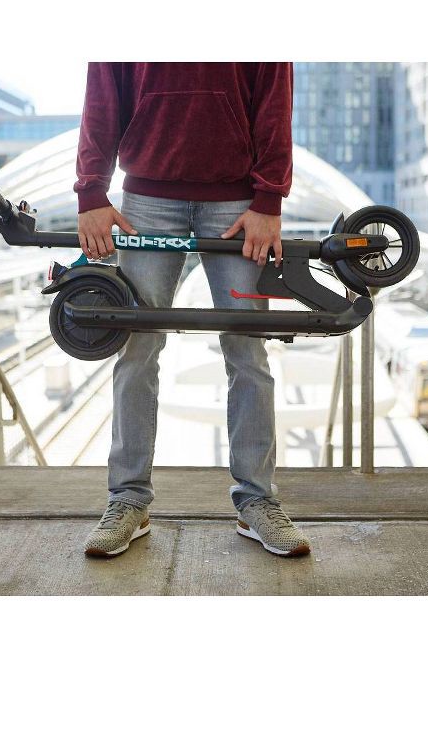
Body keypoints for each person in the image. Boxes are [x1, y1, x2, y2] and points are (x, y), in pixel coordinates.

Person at [74, 63, 310, 558]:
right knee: (136, 350)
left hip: (238, 201)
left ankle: (257, 501)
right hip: (146, 198)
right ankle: (128, 500)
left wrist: (269, 198)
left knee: (248, 352)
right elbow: (102, 93)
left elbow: (275, 99)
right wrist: (91, 189)